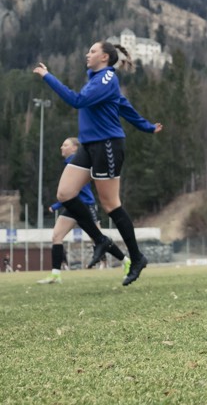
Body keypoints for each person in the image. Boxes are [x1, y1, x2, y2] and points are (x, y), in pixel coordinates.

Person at [33, 42, 162, 286]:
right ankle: (101, 239)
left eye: (91, 51)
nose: (87, 54)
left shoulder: (106, 78)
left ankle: (136, 257)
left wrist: (48, 76)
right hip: (89, 146)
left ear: (104, 57)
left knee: (111, 204)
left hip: (108, 146)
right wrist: (147, 126)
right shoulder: (97, 81)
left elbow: (77, 101)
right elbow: (123, 106)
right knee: (65, 193)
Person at [37, 136, 104, 284]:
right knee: (56, 237)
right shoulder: (70, 162)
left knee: (98, 238)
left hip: (85, 205)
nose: (61, 147)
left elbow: (73, 189)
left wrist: (56, 206)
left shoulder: (75, 161)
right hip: (71, 206)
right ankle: (55, 274)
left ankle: (126, 261)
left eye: (65, 145)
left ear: (75, 148)